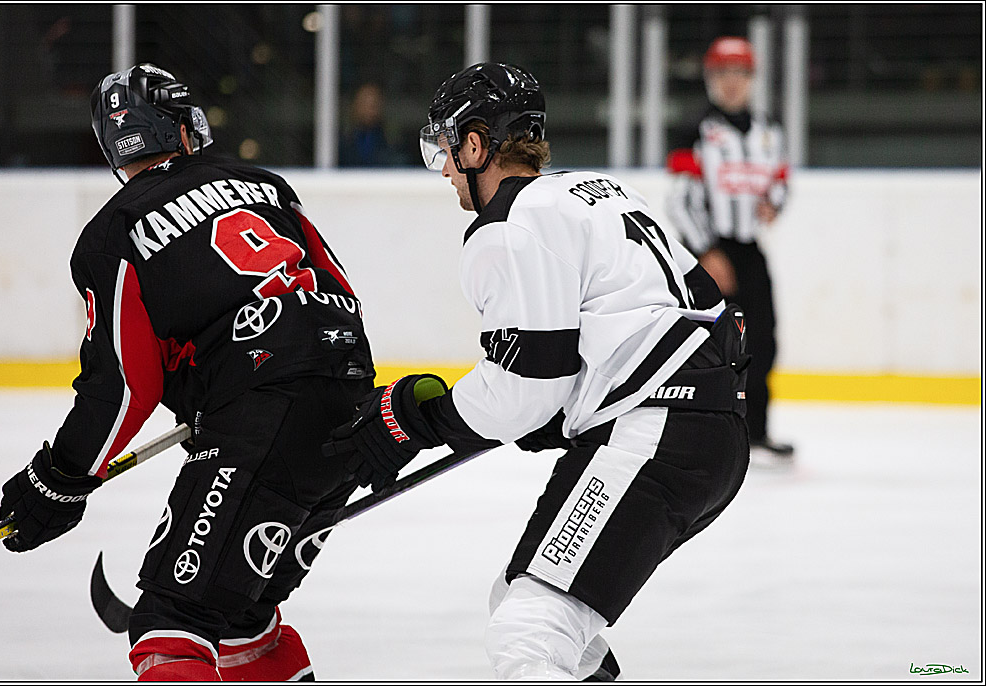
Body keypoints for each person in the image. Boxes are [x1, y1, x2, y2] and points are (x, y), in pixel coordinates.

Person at [323, 63, 751, 680]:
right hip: (705, 427)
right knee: (533, 605)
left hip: (656, 433)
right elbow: (674, 310)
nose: (443, 167)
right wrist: (564, 410)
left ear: (476, 144)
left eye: (445, 147)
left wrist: (417, 420)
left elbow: (523, 390)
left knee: (530, 630)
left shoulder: (507, 226)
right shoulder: (592, 190)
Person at [0, 63, 376, 681]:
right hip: (350, 406)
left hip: (262, 414)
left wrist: (59, 477)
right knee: (240, 614)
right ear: (184, 126)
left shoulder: (113, 231)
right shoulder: (267, 185)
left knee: (170, 625)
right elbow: (339, 297)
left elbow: (123, 386)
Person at [665, 36, 795, 465]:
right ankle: (708, 435)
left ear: (751, 78)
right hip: (708, 250)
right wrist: (705, 251)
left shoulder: (767, 130)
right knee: (713, 348)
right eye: (723, 73)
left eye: (739, 73)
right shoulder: (695, 129)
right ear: (710, 78)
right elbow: (680, 200)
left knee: (763, 339)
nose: (731, 83)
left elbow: (780, 180)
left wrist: (773, 202)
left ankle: (756, 431)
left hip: (749, 249)